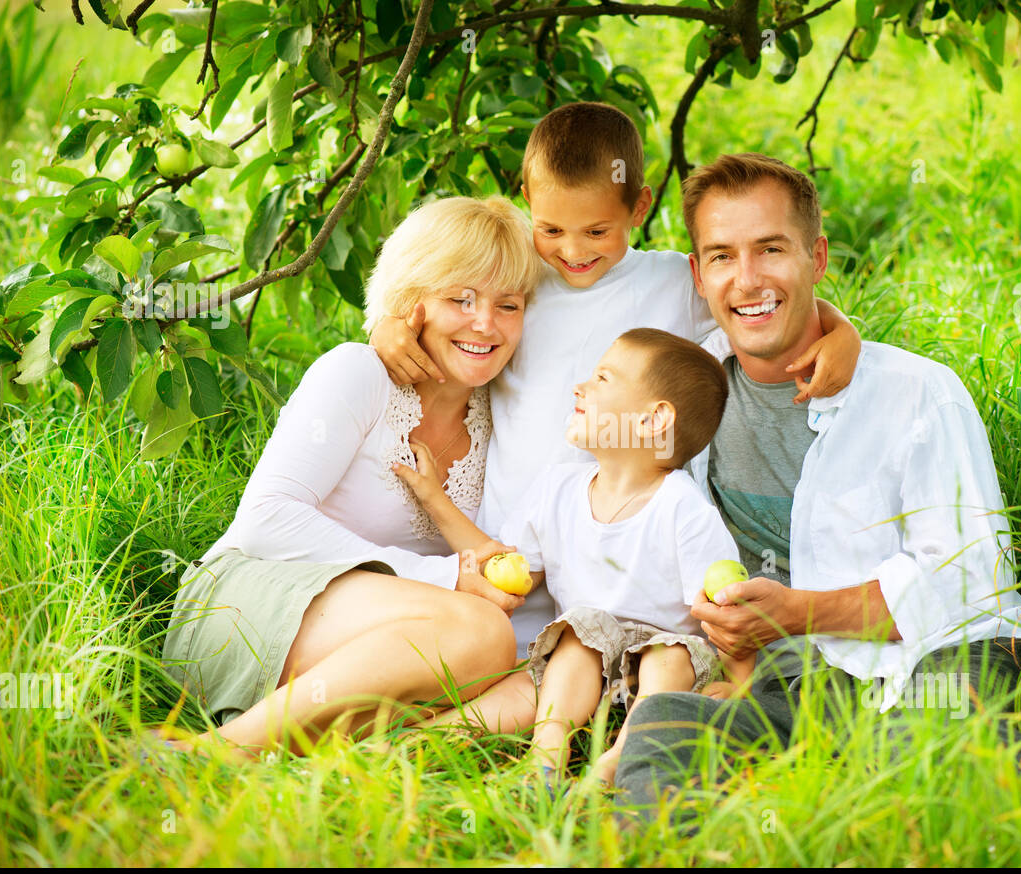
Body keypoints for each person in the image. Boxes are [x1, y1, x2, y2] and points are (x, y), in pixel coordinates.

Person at [369, 102, 864, 731]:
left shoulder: (668, 283)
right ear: (526, 202)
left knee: (598, 669)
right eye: (552, 229)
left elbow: (763, 303)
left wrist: (839, 330)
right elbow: (437, 297)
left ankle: (612, 734)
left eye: (597, 232)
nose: (573, 251)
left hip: (627, 567)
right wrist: (388, 325)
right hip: (521, 550)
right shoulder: (519, 279)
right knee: (492, 672)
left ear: (639, 208)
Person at [612, 153, 1021, 821]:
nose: (749, 278)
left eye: (771, 249)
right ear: (699, 275)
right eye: (724, 256)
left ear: (816, 258)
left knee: (928, 777)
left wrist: (797, 612)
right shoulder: (685, 391)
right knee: (664, 732)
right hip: (794, 686)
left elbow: (968, 585)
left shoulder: (918, 393)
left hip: (938, 660)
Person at [158, 196, 545, 757]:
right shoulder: (360, 371)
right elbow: (266, 520)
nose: (485, 323)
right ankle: (214, 753)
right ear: (413, 302)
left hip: (382, 637)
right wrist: (441, 579)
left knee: (514, 668)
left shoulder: (500, 416)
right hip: (248, 603)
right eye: (460, 298)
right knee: (481, 633)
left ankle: (357, 756)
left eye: (508, 305)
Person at [397, 328, 747, 786]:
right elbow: (505, 567)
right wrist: (433, 497)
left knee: (670, 652)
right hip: (582, 666)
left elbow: (729, 619)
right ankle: (541, 759)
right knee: (577, 637)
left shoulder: (684, 510)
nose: (580, 387)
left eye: (602, 378)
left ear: (654, 419)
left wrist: (739, 688)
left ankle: (623, 758)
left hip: (661, 679)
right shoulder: (558, 489)